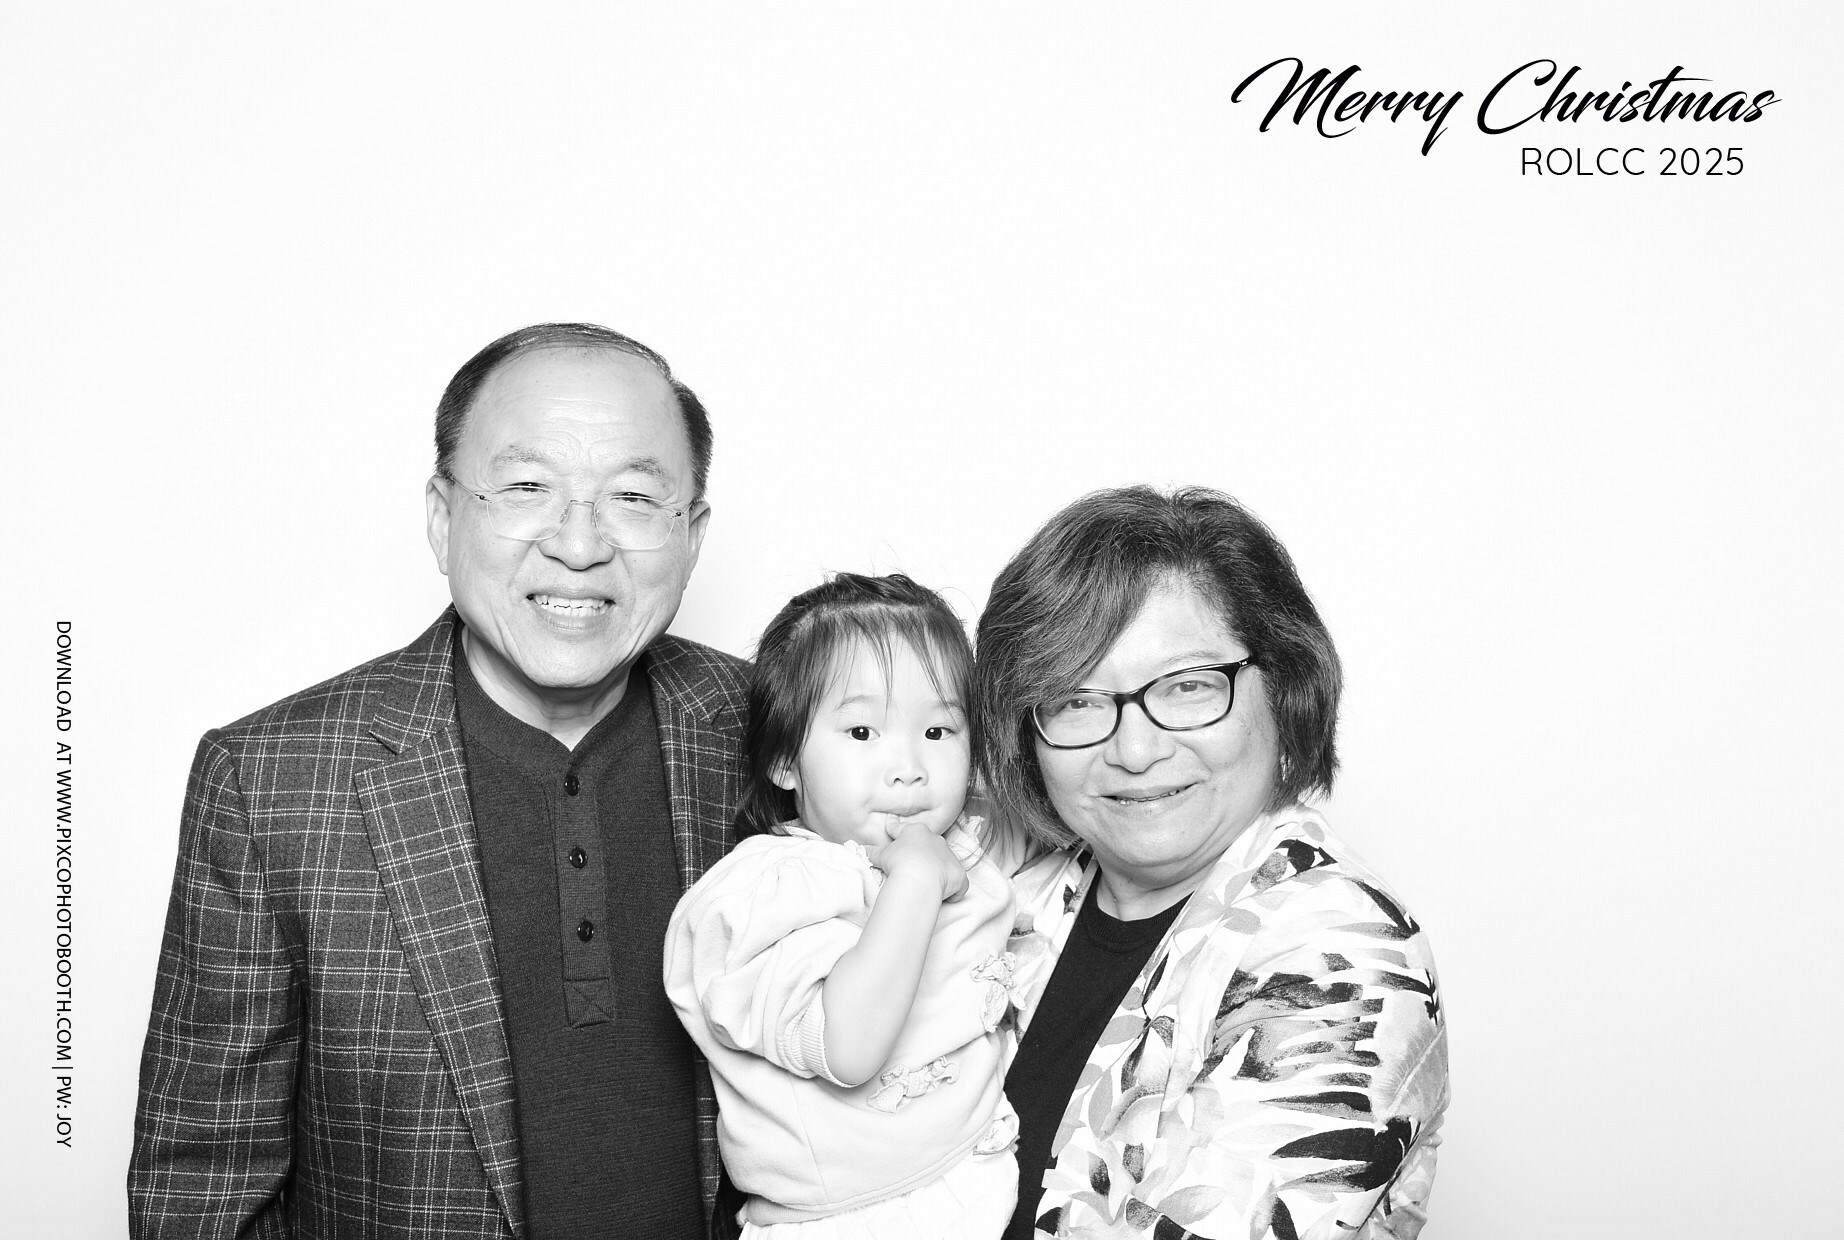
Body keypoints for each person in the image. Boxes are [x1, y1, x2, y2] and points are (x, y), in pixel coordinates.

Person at [130, 324, 751, 1239]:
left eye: (632, 497)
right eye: (527, 487)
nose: (580, 544)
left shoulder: (779, 734)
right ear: (441, 516)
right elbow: (202, 1185)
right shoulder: (270, 783)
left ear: (691, 536)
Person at [974, 485, 1449, 1240]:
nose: (1135, 750)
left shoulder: (1341, 951)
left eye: (1189, 687)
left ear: (1284, 690)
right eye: (1076, 701)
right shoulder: (1016, 893)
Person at [665, 573, 1020, 1239]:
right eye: (861, 731)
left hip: (977, 1179)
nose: (908, 766)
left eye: (939, 729)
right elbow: (848, 1047)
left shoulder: (969, 841)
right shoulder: (770, 891)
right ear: (784, 761)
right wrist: (915, 880)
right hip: (847, 1219)